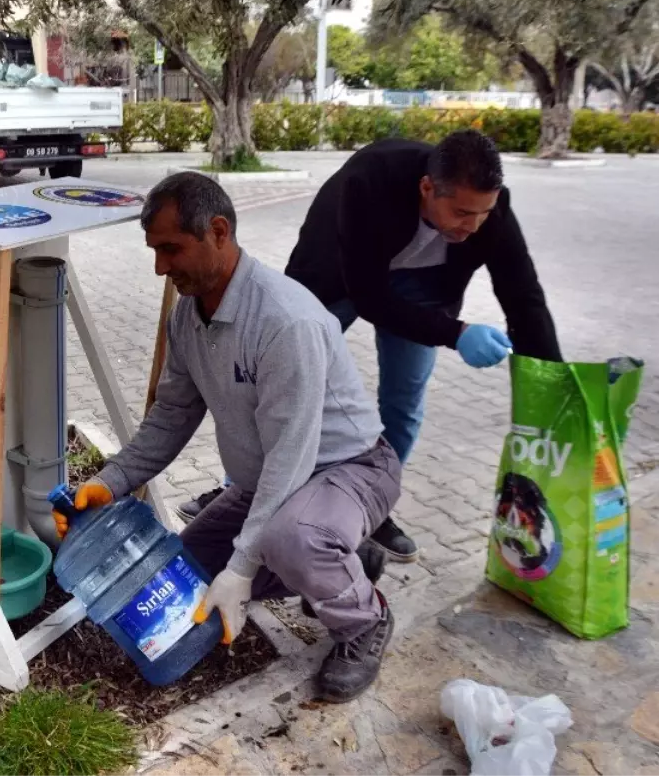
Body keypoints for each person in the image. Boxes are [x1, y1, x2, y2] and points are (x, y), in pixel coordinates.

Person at [55, 172, 403, 703]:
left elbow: (292, 454)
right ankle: (344, 561)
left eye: (171, 249)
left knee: (289, 540)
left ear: (218, 231)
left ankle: (363, 621)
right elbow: (171, 414)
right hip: (271, 482)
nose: (160, 268)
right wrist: (113, 480)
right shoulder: (187, 319)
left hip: (350, 469)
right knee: (182, 576)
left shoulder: (286, 321)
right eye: (154, 251)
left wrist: (243, 568)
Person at [179, 130, 562, 563]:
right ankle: (239, 491)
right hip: (340, 274)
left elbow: (524, 297)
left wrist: (553, 389)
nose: (471, 227)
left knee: (404, 402)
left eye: (482, 214)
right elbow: (371, 297)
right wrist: (456, 334)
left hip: (425, 290)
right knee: (277, 380)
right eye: (460, 213)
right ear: (427, 188)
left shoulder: (490, 211)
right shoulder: (370, 181)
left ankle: (370, 503)